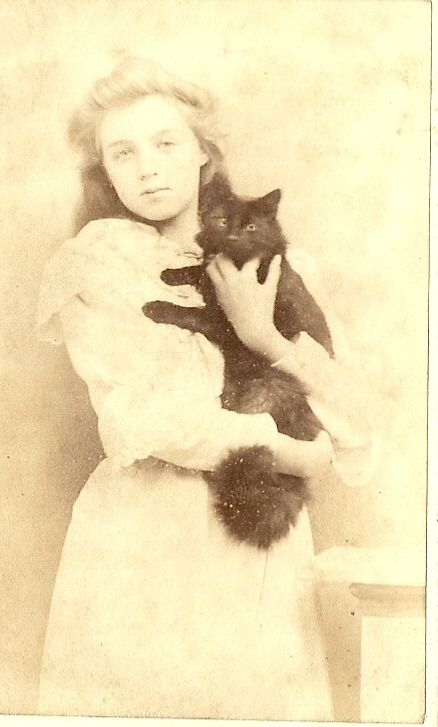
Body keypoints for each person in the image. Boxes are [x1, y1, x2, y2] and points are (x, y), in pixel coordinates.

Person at [36, 56, 376, 719]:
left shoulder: (280, 263)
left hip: (258, 551)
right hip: (144, 541)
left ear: (202, 153)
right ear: (105, 170)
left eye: (166, 143)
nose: (148, 167)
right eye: (123, 152)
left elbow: (357, 421)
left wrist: (267, 338)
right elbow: (153, 417)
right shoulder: (95, 265)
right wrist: (295, 454)